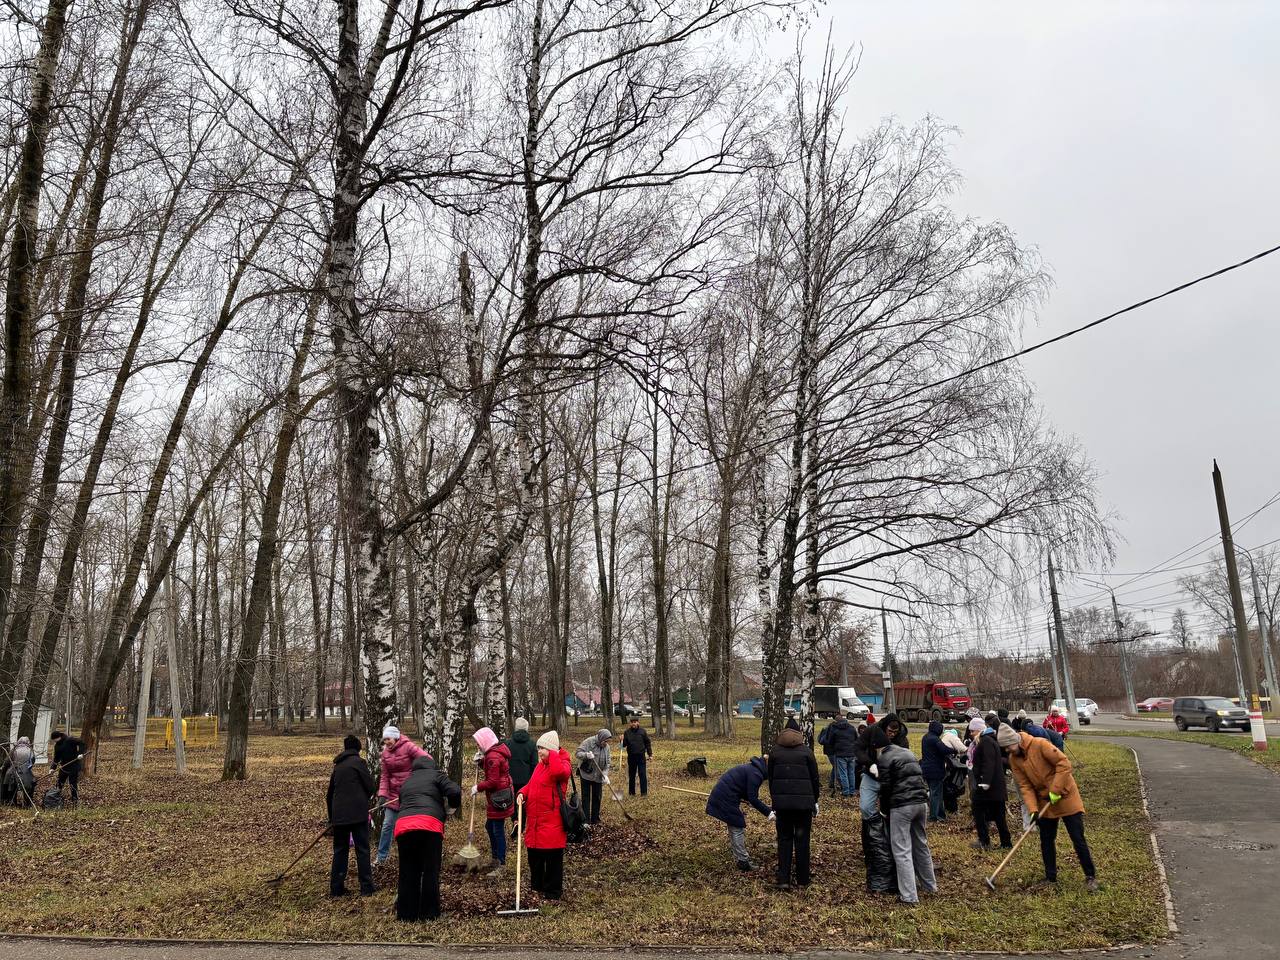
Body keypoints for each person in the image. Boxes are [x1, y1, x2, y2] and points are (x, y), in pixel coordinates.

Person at [997, 724, 1098, 893]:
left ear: (1015, 740)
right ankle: (1050, 877)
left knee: (1077, 837)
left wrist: (1056, 790)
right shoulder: (1015, 759)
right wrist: (1033, 809)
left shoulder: (1040, 744)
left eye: (1008, 746)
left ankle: (1090, 876)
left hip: (1066, 795)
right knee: (1046, 839)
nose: (1008, 750)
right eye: (1005, 748)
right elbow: (1025, 786)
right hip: (1045, 801)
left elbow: (1064, 764)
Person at [394, 753, 462, 921]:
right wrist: (452, 807)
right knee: (430, 870)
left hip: (404, 826)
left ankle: (406, 914)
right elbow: (454, 790)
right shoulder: (437, 775)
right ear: (431, 765)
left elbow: (401, 802)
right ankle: (429, 913)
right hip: (429, 825)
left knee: (408, 870)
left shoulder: (407, 781)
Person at [875, 726, 937, 905]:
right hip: (921, 803)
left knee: (902, 849)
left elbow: (885, 788)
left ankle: (909, 896)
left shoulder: (885, 758)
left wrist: (884, 810)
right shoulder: (907, 753)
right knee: (921, 844)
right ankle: (930, 885)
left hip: (902, 806)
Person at [767, 717, 819, 891]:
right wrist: (815, 801)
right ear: (799, 734)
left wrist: (775, 800)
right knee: (803, 840)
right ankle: (803, 879)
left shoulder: (774, 752)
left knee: (784, 840)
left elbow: (772, 779)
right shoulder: (807, 752)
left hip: (783, 806)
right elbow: (814, 779)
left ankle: (783, 879)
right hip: (804, 805)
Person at [519, 730, 572, 900]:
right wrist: (522, 792)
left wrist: (554, 754)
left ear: (551, 749)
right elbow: (532, 784)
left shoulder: (563, 764)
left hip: (552, 821)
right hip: (535, 821)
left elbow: (558, 773)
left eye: (542, 748)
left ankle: (552, 891)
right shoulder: (540, 764)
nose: (539, 752)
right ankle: (538, 886)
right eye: (538, 748)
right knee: (535, 856)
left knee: (552, 859)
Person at [326, 734, 375, 897]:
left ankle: (336, 888)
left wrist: (331, 818)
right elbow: (370, 787)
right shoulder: (359, 763)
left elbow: (329, 794)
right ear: (358, 749)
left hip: (339, 816)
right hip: (358, 815)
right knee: (362, 850)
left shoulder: (337, 766)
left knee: (340, 850)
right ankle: (366, 887)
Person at [705, 756, 771, 871]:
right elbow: (753, 798)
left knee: (735, 826)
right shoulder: (756, 774)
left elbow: (745, 790)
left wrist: (747, 798)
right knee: (737, 827)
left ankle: (740, 857)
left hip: (726, 795)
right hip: (725, 797)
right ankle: (743, 861)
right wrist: (769, 813)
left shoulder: (753, 769)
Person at [375, 725, 426, 865]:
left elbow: (427, 760)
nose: (387, 742)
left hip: (409, 795)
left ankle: (414, 856)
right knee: (387, 826)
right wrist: (382, 795)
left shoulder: (409, 747)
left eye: (389, 738)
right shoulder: (385, 753)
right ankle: (381, 858)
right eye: (384, 739)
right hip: (392, 796)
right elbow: (385, 776)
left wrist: (419, 779)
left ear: (396, 737)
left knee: (411, 827)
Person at [472, 726, 514, 878]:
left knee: (497, 830)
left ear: (485, 742)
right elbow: (493, 770)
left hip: (499, 798)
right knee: (490, 826)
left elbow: (493, 781)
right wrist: (482, 762)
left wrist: (478, 787)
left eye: (478, 743)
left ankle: (501, 864)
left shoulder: (493, 757)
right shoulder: (492, 754)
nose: (477, 746)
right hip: (498, 797)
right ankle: (495, 858)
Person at [856, 712, 907, 819]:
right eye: (890, 731)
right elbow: (858, 748)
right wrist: (869, 763)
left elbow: (904, 759)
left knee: (890, 812)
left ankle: (885, 828)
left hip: (891, 780)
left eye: (895, 732)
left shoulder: (902, 739)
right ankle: (873, 825)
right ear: (885, 727)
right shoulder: (872, 730)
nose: (892, 734)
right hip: (871, 776)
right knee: (865, 808)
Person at [971, 720, 1012, 850]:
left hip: (988, 787)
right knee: (999, 815)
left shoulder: (986, 742)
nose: (971, 733)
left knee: (978, 810)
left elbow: (988, 763)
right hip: (996, 787)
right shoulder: (990, 740)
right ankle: (1006, 843)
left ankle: (984, 841)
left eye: (973, 731)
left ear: (979, 730)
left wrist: (985, 782)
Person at [920, 720, 961, 823]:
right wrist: (954, 750)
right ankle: (935, 816)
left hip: (926, 769)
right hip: (935, 770)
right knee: (935, 794)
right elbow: (944, 750)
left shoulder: (925, 737)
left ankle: (940, 815)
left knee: (936, 792)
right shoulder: (935, 739)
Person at [575, 728, 613, 825]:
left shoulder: (607, 747)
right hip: (586, 774)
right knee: (586, 797)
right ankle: (586, 819)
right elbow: (577, 753)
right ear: (601, 738)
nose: (606, 743)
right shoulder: (588, 742)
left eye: (608, 741)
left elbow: (608, 762)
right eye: (605, 741)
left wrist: (605, 774)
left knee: (597, 796)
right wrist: (586, 755)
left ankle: (595, 819)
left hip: (598, 776)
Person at [823, 713, 860, 798]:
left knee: (843, 773)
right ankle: (852, 791)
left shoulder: (835, 729)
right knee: (851, 773)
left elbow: (830, 741)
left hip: (840, 754)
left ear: (836, 721)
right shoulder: (851, 728)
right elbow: (856, 739)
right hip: (851, 753)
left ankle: (846, 792)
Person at [49, 731, 84, 805]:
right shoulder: (57, 746)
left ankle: (75, 800)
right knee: (59, 783)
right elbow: (56, 758)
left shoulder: (70, 740)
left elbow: (81, 743)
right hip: (64, 766)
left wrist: (80, 753)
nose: (54, 741)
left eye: (55, 739)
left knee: (72, 784)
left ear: (59, 737)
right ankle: (55, 798)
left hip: (74, 765)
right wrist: (52, 768)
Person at [505, 717, 539, 793]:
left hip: (510, 779)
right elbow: (534, 764)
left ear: (515, 728)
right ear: (526, 729)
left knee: (511, 802)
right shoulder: (532, 744)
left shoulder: (507, 743)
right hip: (526, 780)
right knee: (523, 802)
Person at [621, 716, 653, 797]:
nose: (633, 724)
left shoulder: (642, 732)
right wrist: (621, 740)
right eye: (632, 722)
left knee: (642, 774)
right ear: (630, 723)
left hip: (641, 757)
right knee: (631, 775)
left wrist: (650, 754)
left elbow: (647, 743)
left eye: (635, 722)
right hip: (631, 757)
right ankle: (632, 793)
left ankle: (644, 793)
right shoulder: (627, 732)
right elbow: (623, 746)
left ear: (638, 723)